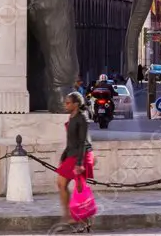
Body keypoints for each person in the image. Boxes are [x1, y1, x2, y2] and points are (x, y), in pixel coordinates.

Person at [56, 91, 94, 226]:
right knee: (61, 183)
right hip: (72, 153)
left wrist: (79, 164)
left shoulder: (81, 118)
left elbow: (83, 141)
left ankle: (83, 219)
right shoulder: (72, 117)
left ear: (76, 104)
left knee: (80, 188)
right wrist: (64, 155)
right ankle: (68, 215)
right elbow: (71, 140)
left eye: (68, 103)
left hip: (82, 154)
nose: (65, 105)